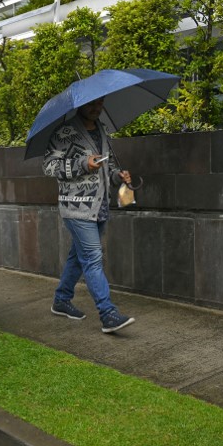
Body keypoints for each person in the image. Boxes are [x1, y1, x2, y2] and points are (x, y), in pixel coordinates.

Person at [43, 96, 135, 334]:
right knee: (93, 258)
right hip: (76, 207)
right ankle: (108, 314)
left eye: (100, 104)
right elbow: (49, 166)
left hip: (99, 206)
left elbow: (109, 166)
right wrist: (82, 163)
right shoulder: (63, 132)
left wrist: (118, 177)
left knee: (78, 257)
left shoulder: (102, 130)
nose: (96, 109)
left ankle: (61, 300)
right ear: (80, 105)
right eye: (91, 104)